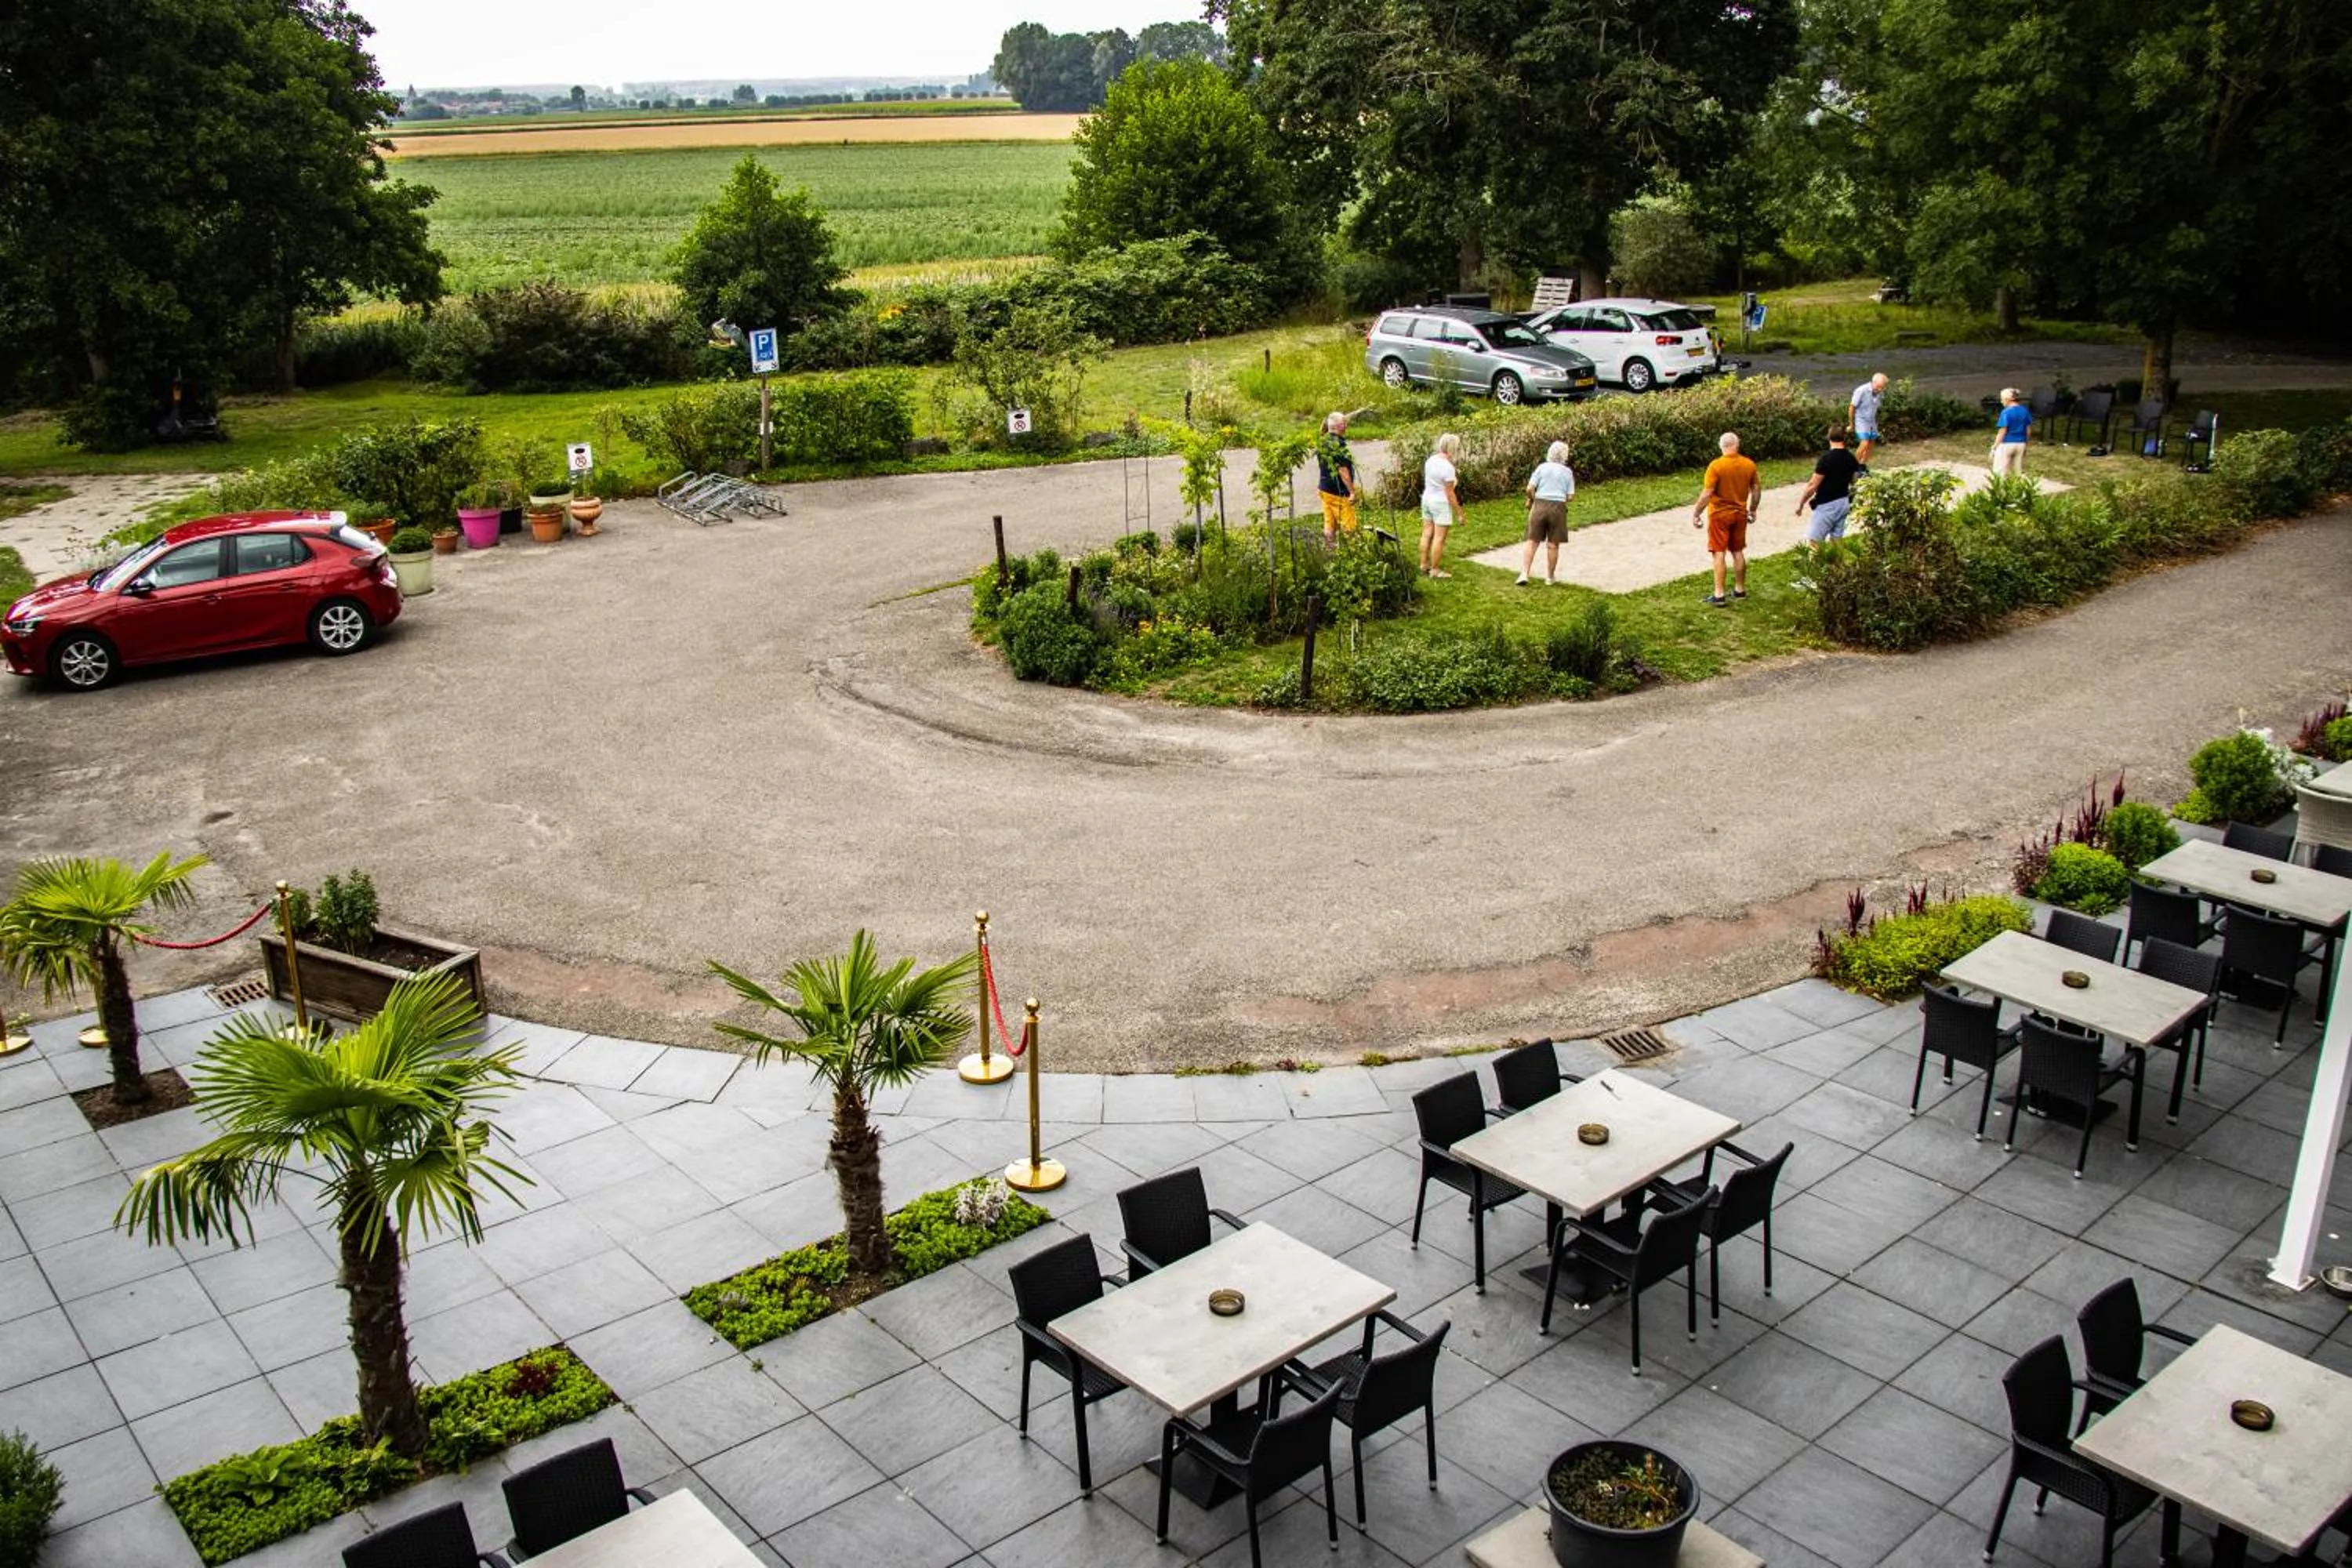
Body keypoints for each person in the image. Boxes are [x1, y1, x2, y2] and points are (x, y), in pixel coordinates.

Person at [1691, 431, 1760, 607]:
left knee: (1719, 552)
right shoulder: (1749, 464)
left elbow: (1708, 493)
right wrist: (1753, 509)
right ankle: (1739, 590)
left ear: (1721, 446)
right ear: (1737, 445)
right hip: (1740, 514)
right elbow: (1756, 490)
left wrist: (1697, 512)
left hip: (1719, 515)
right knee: (1737, 551)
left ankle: (1719, 594)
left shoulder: (1716, 466)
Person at [1795, 427, 1861, 554]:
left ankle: (1816, 567)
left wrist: (1801, 504)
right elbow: (1855, 481)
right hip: (1843, 502)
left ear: (1829, 438)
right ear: (1844, 438)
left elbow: (1812, 486)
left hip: (1827, 505)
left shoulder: (1826, 459)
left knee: (1814, 542)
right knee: (1836, 541)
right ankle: (1838, 566)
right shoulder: (1850, 458)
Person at [1519, 440, 1575, 585]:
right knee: (1553, 544)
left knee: (1532, 541)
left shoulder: (1542, 468)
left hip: (1540, 505)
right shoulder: (1567, 472)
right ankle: (1550, 577)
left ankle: (1524, 573)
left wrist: (1532, 499)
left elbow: (1530, 488)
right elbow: (1570, 496)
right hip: (1558, 507)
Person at [1419, 433, 1462, 578]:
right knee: (1439, 538)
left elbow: (1434, 481)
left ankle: (1423, 564)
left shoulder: (1430, 460)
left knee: (1427, 534)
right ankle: (1435, 570)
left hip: (1427, 499)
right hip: (1440, 503)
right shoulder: (1448, 467)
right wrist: (1459, 513)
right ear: (1452, 448)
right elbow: (1450, 493)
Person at [1315, 412, 1358, 541]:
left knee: (1330, 523)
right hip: (1338, 493)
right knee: (1349, 528)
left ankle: (1330, 550)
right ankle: (1353, 550)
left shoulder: (1322, 441)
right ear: (1339, 426)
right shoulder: (1338, 444)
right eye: (1344, 423)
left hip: (1324, 489)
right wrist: (1352, 492)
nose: (1346, 426)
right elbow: (1343, 470)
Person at [1849, 372, 1889, 466]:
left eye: (1882, 387)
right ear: (1873, 382)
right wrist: (1851, 424)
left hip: (1871, 421)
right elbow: (1852, 407)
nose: (1880, 389)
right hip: (1861, 420)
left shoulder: (1879, 393)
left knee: (1871, 444)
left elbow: (1876, 407)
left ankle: (1862, 465)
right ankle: (1852, 466)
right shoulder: (1861, 390)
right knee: (1864, 443)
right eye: (1879, 387)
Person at [1990, 386, 2031, 477]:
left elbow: (2003, 431)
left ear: (2008, 399)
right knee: (2017, 471)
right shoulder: (2024, 411)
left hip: (2007, 444)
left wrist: (1995, 446)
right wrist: (2026, 444)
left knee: (2000, 472)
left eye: (2002, 399)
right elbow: (2028, 430)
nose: (2001, 402)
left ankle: (2000, 486)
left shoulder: (2006, 412)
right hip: (2021, 444)